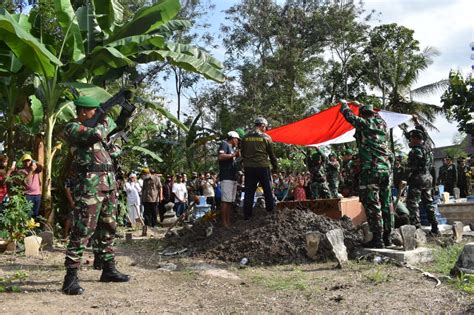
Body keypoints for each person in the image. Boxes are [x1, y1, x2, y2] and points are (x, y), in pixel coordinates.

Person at [61, 96, 129, 295]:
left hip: (107, 184)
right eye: (94, 112)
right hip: (89, 186)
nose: (97, 115)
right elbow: (97, 134)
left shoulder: (96, 131)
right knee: (83, 229)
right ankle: (70, 278)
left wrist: (124, 118)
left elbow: (112, 151)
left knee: (108, 226)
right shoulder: (73, 128)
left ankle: (108, 269)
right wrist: (106, 120)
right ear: (84, 112)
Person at [340, 100, 393, 248]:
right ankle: (387, 237)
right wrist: (361, 104)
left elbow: (349, 116)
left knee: (372, 205)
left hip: (371, 170)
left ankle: (378, 239)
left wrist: (344, 105)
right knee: (386, 204)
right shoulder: (382, 124)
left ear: (363, 115)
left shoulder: (364, 124)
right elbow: (376, 114)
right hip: (386, 170)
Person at [404, 120, 439, 234]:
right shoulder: (427, 146)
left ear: (416, 139)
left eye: (412, 138)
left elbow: (411, 168)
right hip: (428, 178)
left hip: (417, 179)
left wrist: (405, 175)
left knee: (412, 204)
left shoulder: (415, 151)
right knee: (428, 203)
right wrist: (416, 122)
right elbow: (425, 133)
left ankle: (417, 228)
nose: (410, 140)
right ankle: (435, 227)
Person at [240, 117, 278, 220]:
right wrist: (275, 168)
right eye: (265, 127)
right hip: (262, 167)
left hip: (249, 167)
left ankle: (247, 215)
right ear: (262, 126)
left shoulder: (245, 137)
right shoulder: (266, 137)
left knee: (249, 191)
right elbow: (271, 155)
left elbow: (242, 153)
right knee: (267, 190)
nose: (266, 129)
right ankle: (270, 211)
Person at [218, 131, 240, 227]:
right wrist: (233, 155)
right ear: (233, 138)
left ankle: (228, 222)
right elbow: (220, 156)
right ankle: (224, 222)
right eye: (237, 140)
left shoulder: (232, 148)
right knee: (225, 201)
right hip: (226, 176)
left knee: (230, 201)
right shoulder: (225, 144)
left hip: (232, 177)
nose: (238, 142)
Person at [17, 154, 43, 218]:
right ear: (23, 162)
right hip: (28, 195)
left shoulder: (36, 170)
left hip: (37, 195)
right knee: (27, 214)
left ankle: (33, 227)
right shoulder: (22, 171)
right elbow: (26, 183)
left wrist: (34, 162)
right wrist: (31, 171)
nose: (27, 162)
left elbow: (41, 166)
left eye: (28, 160)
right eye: (25, 161)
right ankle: (27, 227)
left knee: (35, 214)